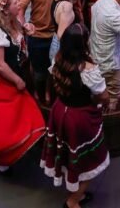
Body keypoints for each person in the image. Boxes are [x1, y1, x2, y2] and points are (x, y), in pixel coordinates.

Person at [0, 0, 46, 173]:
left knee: (22, 110)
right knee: (5, 119)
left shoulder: (12, 21)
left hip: (10, 72)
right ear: (5, 10)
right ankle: (2, 158)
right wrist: (18, 81)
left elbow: (17, 41)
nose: (20, 3)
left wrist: (26, 29)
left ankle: (17, 146)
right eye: (16, 2)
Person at [41, 24, 109, 207]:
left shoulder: (58, 60)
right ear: (83, 44)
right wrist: (103, 103)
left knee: (67, 154)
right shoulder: (88, 70)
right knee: (90, 159)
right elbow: (103, 95)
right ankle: (72, 201)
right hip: (79, 118)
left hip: (59, 111)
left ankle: (76, 193)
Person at [17, 0, 58, 105]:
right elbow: (20, 9)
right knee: (39, 71)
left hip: (56, 36)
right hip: (37, 36)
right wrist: (24, 25)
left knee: (52, 69)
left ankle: (47, 92)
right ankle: (36, 90)